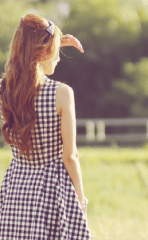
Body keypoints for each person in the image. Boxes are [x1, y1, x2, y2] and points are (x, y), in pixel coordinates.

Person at [0, 14, 93, 239]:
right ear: (42, 52)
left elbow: (26, 61)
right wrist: (81, 200)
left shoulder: (5, 90)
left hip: (16, 188)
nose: (59, 58)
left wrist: (51, 43)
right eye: (57, 52)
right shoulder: (61, 94)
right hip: (52, 190)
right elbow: (70, 156)